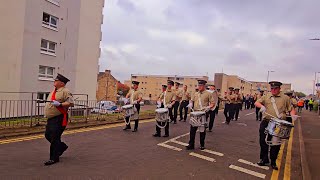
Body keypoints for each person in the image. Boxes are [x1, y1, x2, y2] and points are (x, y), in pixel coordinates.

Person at [255, 81, 296, 170]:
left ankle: (273, 161)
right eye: (272, 88)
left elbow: (291, 108)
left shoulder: (285, 98)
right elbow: (257, 102)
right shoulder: (266, 96)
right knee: (263, 141)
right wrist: (261, 106)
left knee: (276, 143)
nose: (273, 90)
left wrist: (293, 115)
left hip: (278, 123)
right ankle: (264, 159)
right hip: (266, 122)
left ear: (279, 89)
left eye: (275, 88)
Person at [44, 74, 74, 166]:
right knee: (48, 135)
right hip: (51, 119)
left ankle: (54, 158)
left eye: (56, 80)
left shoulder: (65, 91)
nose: (54, 81)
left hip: (59, 118)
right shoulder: (54, 91)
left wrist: (60, 104)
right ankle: (61, 147)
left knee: (54, 138)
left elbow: (71, 103)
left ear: (61, 83)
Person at [186, 80, 215, 150]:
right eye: (198, 85)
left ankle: (202, 144)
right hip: (195, 113)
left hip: (203, 113)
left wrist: (208, 107)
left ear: (204, 86)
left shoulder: (208, 94)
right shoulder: (195, 94)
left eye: (201, 85)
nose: (199, 87)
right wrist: (190, 104)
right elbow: (191, 100)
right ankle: (191, 144)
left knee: (202, 130)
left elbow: (212, 103)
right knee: (192, 129)